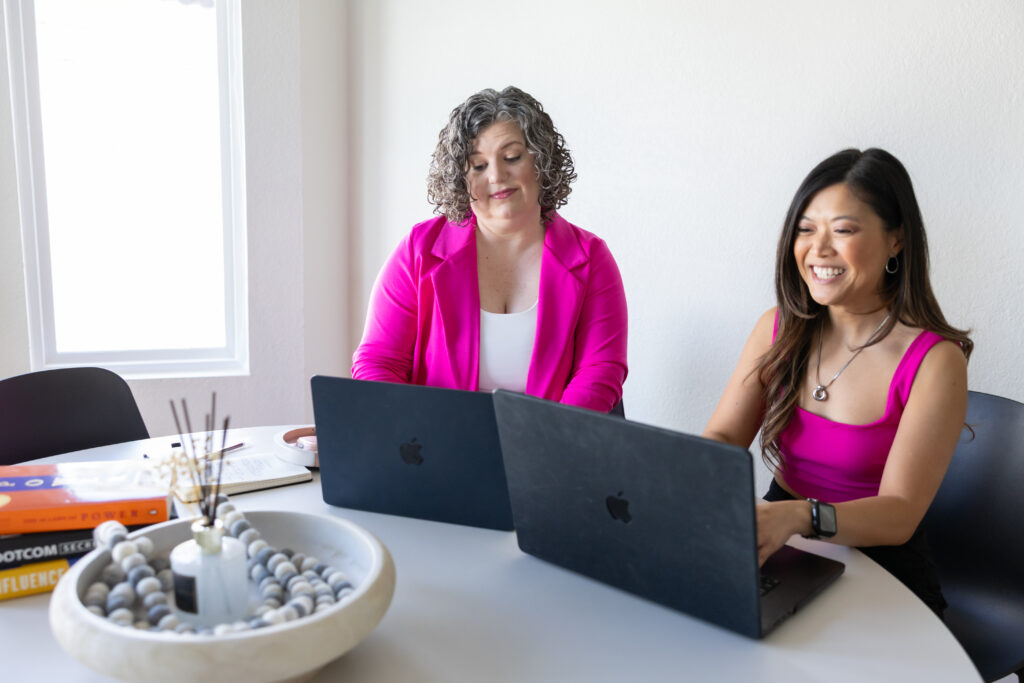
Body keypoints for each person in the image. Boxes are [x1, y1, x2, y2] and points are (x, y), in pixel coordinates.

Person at [702, 148, 971, 617]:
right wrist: (682, 481)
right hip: (783, 546)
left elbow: (900, 512)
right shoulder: (777, 328)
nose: (818, 249)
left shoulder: (935, 362)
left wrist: (798, 515)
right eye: (806, 229)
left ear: (896, 240)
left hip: (885, 567)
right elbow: (724, 435)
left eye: (843, 230)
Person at [352, 86, 627, 412]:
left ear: (541, 161)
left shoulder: (591, 259)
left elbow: (599, 373)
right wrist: (414, 433)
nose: (496, 175)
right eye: (478, 166)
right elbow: (377, 362)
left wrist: (545, 443)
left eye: (511, 157)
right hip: (437, 448)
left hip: (550, 449)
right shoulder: (418, 251)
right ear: (460, 178)